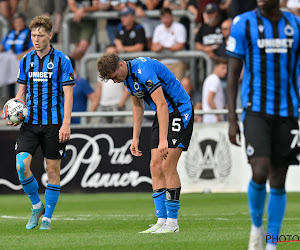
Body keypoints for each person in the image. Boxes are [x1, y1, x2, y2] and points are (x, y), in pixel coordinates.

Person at [226, 1, 300, 249]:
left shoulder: (295, 24)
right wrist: (232, 118)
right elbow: (232, 74)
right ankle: (257, 227)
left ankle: (272, 243)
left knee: (278, 180)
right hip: (255, 111)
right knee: (260, 171)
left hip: (288, 112)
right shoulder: (243, 24)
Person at [97, 53, 194, 233]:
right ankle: (161, 221)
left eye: (114, 77)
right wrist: (135, 137)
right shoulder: (127, 78)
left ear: (120, 66)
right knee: (155, 166)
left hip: (179, 110)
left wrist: (164, 139)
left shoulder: (144, 71)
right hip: (162, 113)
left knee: (167, 166)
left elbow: (162, 104)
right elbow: (137, 106)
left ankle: (173, 224)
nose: (115, 81)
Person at [10, 16, 74, 230]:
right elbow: (21, 93)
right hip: (30, 123)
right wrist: (15, 111)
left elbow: (68, 95)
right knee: (21, 166)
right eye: (33, 35)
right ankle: (37, 206)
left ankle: (47, 218)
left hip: (54, 124)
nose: (36, 39)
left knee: (53, 171)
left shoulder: (62, 60)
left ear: (50, 35)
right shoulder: (26, 60)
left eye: (40, 35)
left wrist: (66, 124)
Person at [0, 13, 34, 97]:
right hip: (8, 61)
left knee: (21, 83)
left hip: (21, 60)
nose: (18, 24)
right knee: (8, 80)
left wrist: (22, 55)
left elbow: (34, 48)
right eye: (16, 22)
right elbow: (2, 45)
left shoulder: (29, 33)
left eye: (20, 22)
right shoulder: (10, 33)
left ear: (24, 22)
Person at [151, 7, 187, 81]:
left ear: (171, 16)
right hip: (162, 63)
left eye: (167, 17)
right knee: (162, 88)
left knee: (177, 87)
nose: (165, 20)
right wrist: (158, 48)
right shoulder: (158, 28)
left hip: (177, 62)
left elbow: (180, 46)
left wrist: (164, 47)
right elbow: (153, 47)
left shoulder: (179, 27)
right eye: (163, 17)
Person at [70, 58, 99, 124]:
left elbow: (95, 100)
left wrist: (87, 117)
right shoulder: (59, 83)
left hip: (78, 124)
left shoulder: (81, 82)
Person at [202, 58, 227, 123]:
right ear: (215, 67)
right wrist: (218, 115)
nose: (225, 71)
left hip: (209, 118)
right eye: (223, 68)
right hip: (213, 119)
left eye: (226, 68)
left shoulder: (211, 78)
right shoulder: (214, 79)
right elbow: (210, 100)